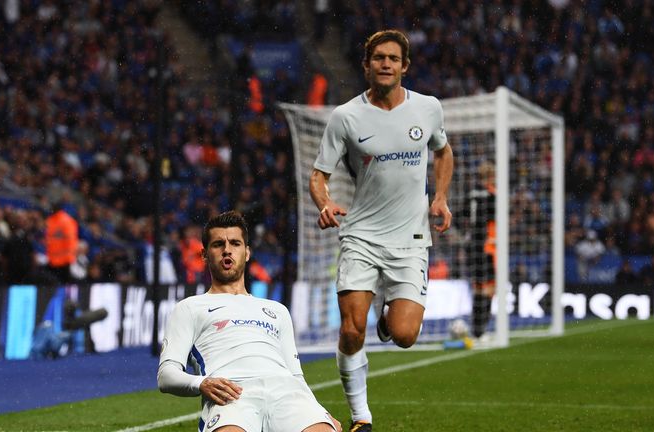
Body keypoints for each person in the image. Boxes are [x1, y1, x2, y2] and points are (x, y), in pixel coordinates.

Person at [309, 30, 454, 432]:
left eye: (393, 58)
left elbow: (443, 151)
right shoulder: (346, 117)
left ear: (404, 66)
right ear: (367, 65)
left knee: (405, 335)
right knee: (351, 329)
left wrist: (439, 197)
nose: (386, 64)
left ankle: (388, 323)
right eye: (378, 58)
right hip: (361, 237)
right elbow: (319, 175)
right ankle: (362, 417)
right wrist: (324, 203)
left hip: (410, 241)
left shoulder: (427, 109)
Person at [158, 211, 341, 432]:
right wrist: (201, 383)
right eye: (218, 244)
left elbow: (295, 375)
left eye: (235, 243)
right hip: (232, 396)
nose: (227, 249)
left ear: (246, 253)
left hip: (287, 393)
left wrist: (317, 410)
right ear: (205, 255)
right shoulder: (189, 307)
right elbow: (166, 375)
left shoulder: (277, 310)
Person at [465, 161, 496, 339]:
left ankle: (475, 328)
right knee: (488, 288)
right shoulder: (493, 195)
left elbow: (462, 216)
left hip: (473, 246)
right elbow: (494, 220)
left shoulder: (471, 193)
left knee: (477, 286)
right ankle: (482, 329)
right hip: (488, 245)